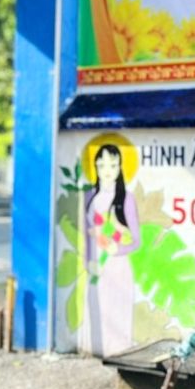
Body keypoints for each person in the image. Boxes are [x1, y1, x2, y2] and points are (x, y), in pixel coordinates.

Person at [83, 143, 141, 356]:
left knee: (117, 313)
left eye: (113, 165)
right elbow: (86, 235)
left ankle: (119, 355)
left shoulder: (126, 199)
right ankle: (98, 351)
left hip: (117, 266)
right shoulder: (90, 197)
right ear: (95, 167)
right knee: (97, 313)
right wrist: (88, 262)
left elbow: (136, 241)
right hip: (96, 265)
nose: (107, 171)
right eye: (102, 165)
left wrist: (118, 248)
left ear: (120, 167)